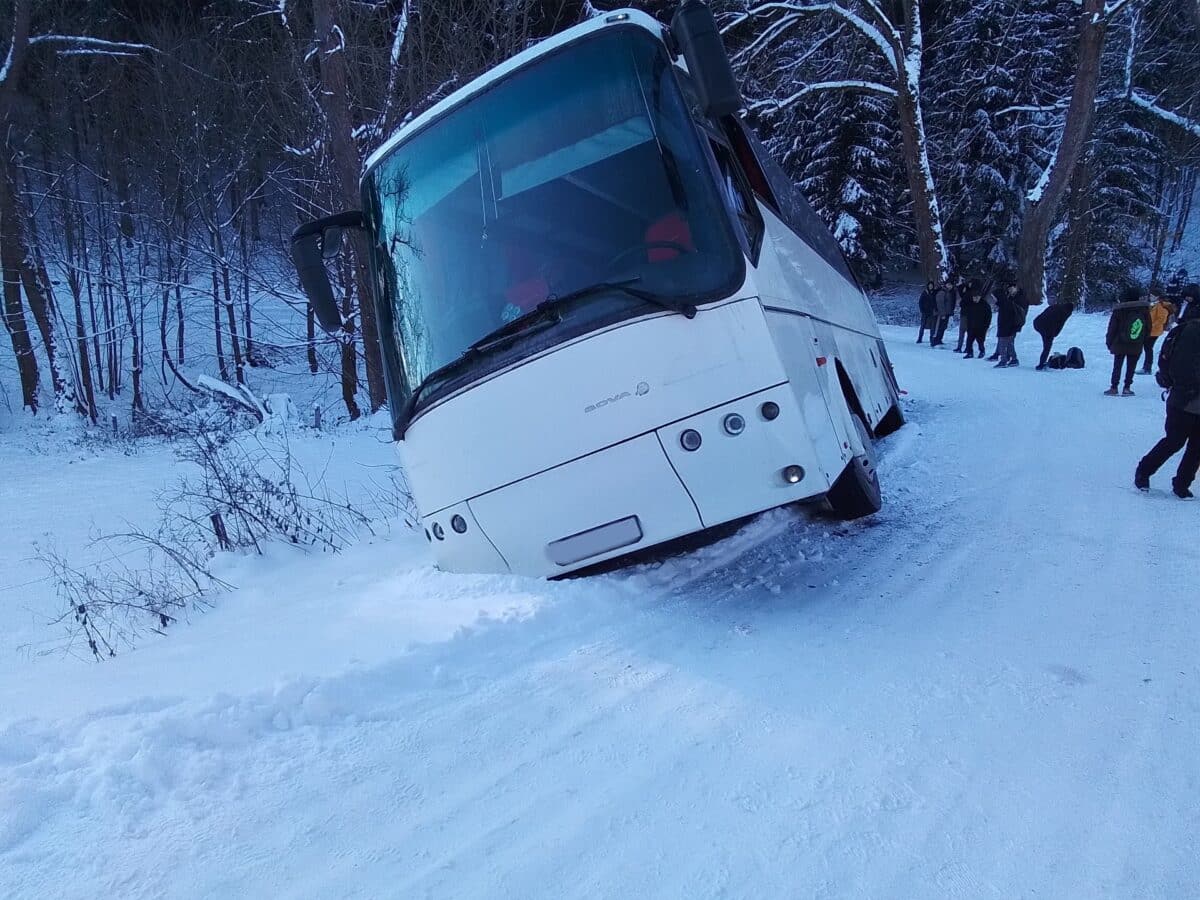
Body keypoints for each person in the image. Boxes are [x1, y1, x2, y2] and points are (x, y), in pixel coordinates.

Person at [1135, 297, 1200, 498]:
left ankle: (1176, 482)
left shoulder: (1184, 330)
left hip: (1183, 396)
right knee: (1180, 442)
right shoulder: (1191, 333)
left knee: (1187, 444)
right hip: (1185, 397)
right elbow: (1183, 366)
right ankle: (1149, 473)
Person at [1104, 284, 1150, 396]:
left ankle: (1114, 387)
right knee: (1132, 366)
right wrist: (1143, 340)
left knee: (1117, 365)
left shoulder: (1119, 310)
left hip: (1119, 342)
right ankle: (1127, 388)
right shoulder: (1144, 310)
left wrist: (1109, 342)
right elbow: (1148, 327)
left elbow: (1112, 328)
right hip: (1136, 343)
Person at [992, 283, 1027, 367]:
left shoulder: (1016, 299)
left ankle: (1004, 360)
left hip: (1009, 326)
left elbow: (1010, 316)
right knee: (1009, 343)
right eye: (1009, 289)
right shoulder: (1008, 300)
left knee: (1004, 343)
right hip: (1009, 326)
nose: (1010, 290)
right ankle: (1013, 359)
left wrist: (1010, 327)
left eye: (1012, 288)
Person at [1142, 292, 1177, 374]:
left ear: (1157, 296)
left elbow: (1161, 319)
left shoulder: (1161, 306)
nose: (1150, 297)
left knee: (1148, 348)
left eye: (1152, 295)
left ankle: (1147, 368)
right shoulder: (1154, 304)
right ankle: (1146, 367)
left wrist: (1150, 326)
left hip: (1154, 331)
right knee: (1147, 348)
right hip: (1152, 330)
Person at [1033, 301, 1075, 370]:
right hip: (1047, 329)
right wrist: (1053, 334)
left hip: (1037, 322)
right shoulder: (1065, 313)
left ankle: (1042, 363)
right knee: (1047, 348)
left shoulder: (1056, 306)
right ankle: (1041, 365)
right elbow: (1059, 325)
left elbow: (1046, 313)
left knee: (1046, 345)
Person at [960, 280, 991, 358]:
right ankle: (970, 352)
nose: (975, 299)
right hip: (971, 326)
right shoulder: (970, 304)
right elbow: (962, 304)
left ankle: (982, 351)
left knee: (980, 341)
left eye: (977, 297)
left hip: (981, 327)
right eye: (974, 297)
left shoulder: (985, 305)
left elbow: (988, 316)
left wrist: (986, 326)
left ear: (980, 297)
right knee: (969, 340)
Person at [931, 280, 956, 347]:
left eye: (951, 285)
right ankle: (935, 340)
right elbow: (940, 303)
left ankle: (939, 339)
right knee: (938, 327)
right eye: (948, 284)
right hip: (941, 314)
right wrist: (942, 314)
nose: (950, 286)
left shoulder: (950, 293)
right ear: (946, 285)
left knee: (943, 327)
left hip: (947, 313)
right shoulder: (942, 292)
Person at [952, 275, 969, 353]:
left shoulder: (970, 293)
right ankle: (960, 347)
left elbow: (963, 299)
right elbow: (961, 293)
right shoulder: (965, 290)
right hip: (964, 314)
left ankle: (965, 347)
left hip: (968, 315)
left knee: (966, 332)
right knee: (962, 331)